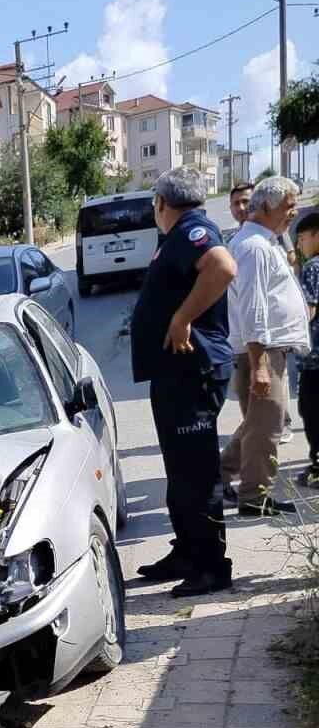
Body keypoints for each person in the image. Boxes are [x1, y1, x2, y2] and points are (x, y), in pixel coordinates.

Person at [131, 166, 237, 597]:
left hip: (193, 372)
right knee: (180, 474)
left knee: (196, 474)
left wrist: (181, 317)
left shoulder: (194, 230)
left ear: (161, 203)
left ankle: (211, 565)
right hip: (175, 374)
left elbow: (222, 267)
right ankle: (188, 552)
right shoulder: (177, 237)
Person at [220, 177, 309, 517]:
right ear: (268, 207)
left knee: (258, 425)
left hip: (268, 351)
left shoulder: (265, 241)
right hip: (262, 352)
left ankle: (220, 478)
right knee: (266, 429)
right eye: (288, 207)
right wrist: (259, 364)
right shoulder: (254, 247)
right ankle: (253, 497)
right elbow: (253, 308)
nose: (293, 213)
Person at [293, 210, 319, 486]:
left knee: (311, 411)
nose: (299, 246)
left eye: (302, 239)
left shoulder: (313, 267)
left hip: (316, 358)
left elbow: (308, 310)